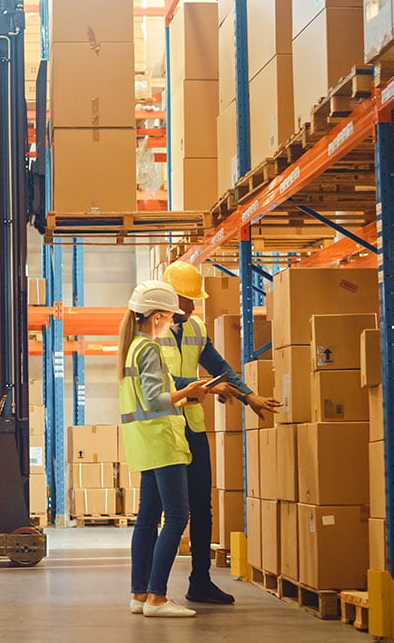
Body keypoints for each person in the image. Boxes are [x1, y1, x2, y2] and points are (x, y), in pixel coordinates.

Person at [160, 261, 283, 605]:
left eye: (192, 300)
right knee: (167, 512)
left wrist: (248, 395)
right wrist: (208, 388)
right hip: (163, 429)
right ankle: (154, 591)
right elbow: (163, 384)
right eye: (186, 300)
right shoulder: (153, 331)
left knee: (202, 507)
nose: (192, 306)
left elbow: (221, 369)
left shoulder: (196, 328)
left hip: (193, 428)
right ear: (170, 298)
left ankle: (200, 581)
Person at [119, 279, 209, 618]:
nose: (174, 322)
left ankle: (139, 594)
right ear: (156, 316)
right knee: (177, 516)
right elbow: (156, 399)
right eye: (171, 317)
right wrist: (190, 392)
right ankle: (157, 597)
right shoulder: (150, 349)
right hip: (163, 440)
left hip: (144, 441)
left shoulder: (130, 348)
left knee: (146, 519)